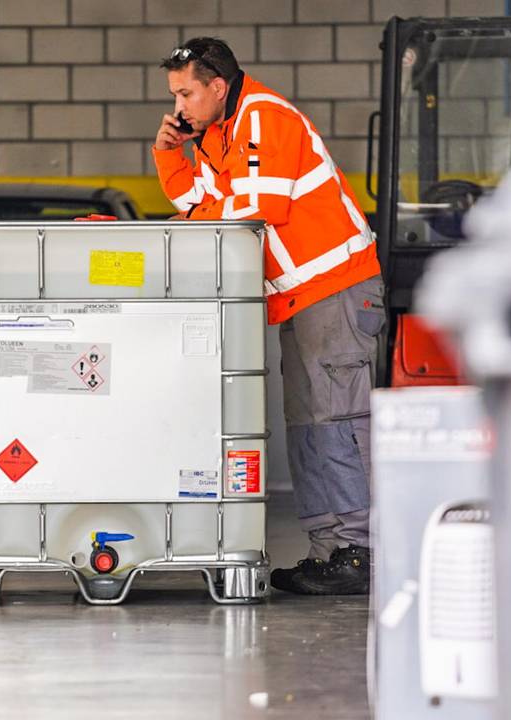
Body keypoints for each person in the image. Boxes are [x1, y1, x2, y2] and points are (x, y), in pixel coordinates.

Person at [151, 38, 384, 595]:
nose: (179, 107)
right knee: (307, 426)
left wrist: (200, 214)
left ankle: (362, 550)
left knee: (339, 421)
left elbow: (254, 209)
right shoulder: (219, 138)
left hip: (336, 290)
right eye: (174, 96)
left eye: (186, 93)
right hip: (303, 299)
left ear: (217, 86)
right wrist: (168, 154)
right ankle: (330, 549)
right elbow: (198, 205)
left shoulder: (263, 117)